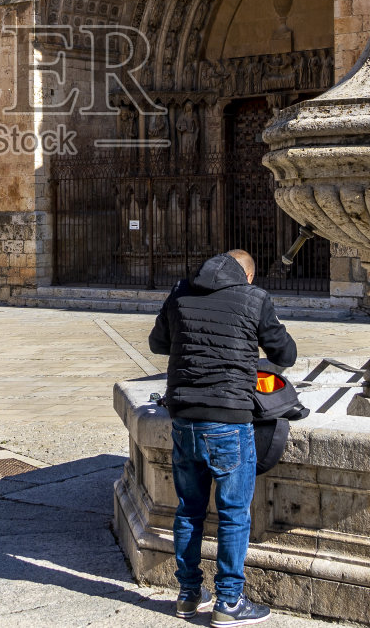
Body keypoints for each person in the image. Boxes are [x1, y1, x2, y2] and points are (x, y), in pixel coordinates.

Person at [149, 250, 296, 626]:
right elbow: (285, 354)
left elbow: (158, 343)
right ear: (248, 276)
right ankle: (229, 601)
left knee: (189, 510)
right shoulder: (254, 298)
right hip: (229, 420)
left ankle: (188, 595)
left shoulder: (180, 292)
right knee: (233, 514)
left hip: (184, 418)